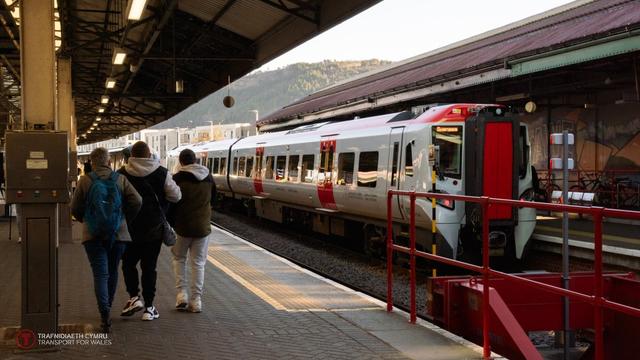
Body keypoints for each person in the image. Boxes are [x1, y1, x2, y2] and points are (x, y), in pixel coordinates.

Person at [70, 147, 142, 332]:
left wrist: (86, 221)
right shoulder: (121, 179)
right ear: (109, 162)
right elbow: (137, 201)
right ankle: (108, 307)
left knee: (100, 275)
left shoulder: (85, 181)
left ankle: (104, 314)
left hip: (92, 236)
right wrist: (124, 218)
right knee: (112, 272)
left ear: (92, 163)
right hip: (118, 235)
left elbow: (75, 207)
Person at [119, 141, 181, 321]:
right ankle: (149, 308)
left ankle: (133, 297)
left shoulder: (122, 174)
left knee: (129, 264)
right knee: (149, 268)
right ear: (149, 155)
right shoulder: (162, 173)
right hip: (153, 230)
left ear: (131, 157)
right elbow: (176, 196)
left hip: (129, 229)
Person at [170, 149, 216, 313]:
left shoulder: (176, 178)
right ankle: (196, 301)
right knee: (198, 264)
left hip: (182, 227)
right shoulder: (209, 177)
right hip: (202, 228)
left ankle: (181, 294)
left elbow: (170, 202)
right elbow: (213, 200)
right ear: (195, 160)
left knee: (179, 259)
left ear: (181, 162)